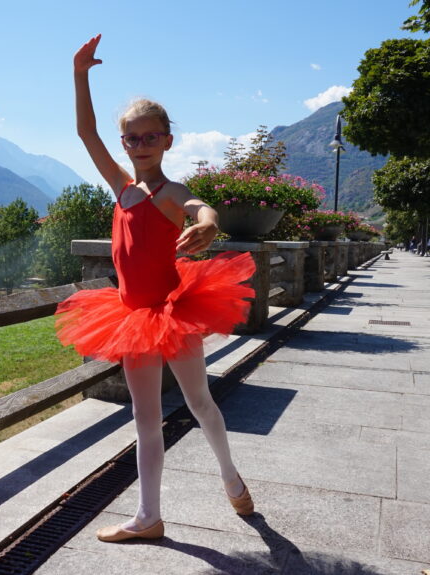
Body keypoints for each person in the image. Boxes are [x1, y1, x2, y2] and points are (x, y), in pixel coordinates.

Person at [55, 34, 256, 543]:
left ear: (168, 141)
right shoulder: (121, 187)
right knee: (144, 417)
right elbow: (85, 132)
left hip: (171, 312)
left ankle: (231, 478)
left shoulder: (171, 193)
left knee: (200, 402)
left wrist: (208, 223)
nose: (140, 145)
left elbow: (200, 207)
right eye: (132, 138)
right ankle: (149, 516)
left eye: (150, 137)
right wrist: (79, 75)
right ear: (124, 143)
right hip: (129, 316)